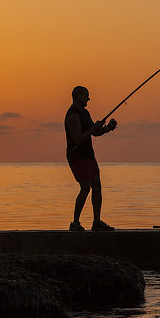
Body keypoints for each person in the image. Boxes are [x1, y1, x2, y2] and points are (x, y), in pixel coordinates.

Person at [64, 86, 117, 231]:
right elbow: (78, 139)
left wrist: (107, 128)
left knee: (97, 184)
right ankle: (75, 222)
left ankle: (97, 221)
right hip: (77, 155)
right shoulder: (73, 116)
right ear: (77, 96)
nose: (88, 98)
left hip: (89, 154)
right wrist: (94, 128)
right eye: (86, 95)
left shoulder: (85, 113)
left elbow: (94, 133)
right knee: (85, 186)